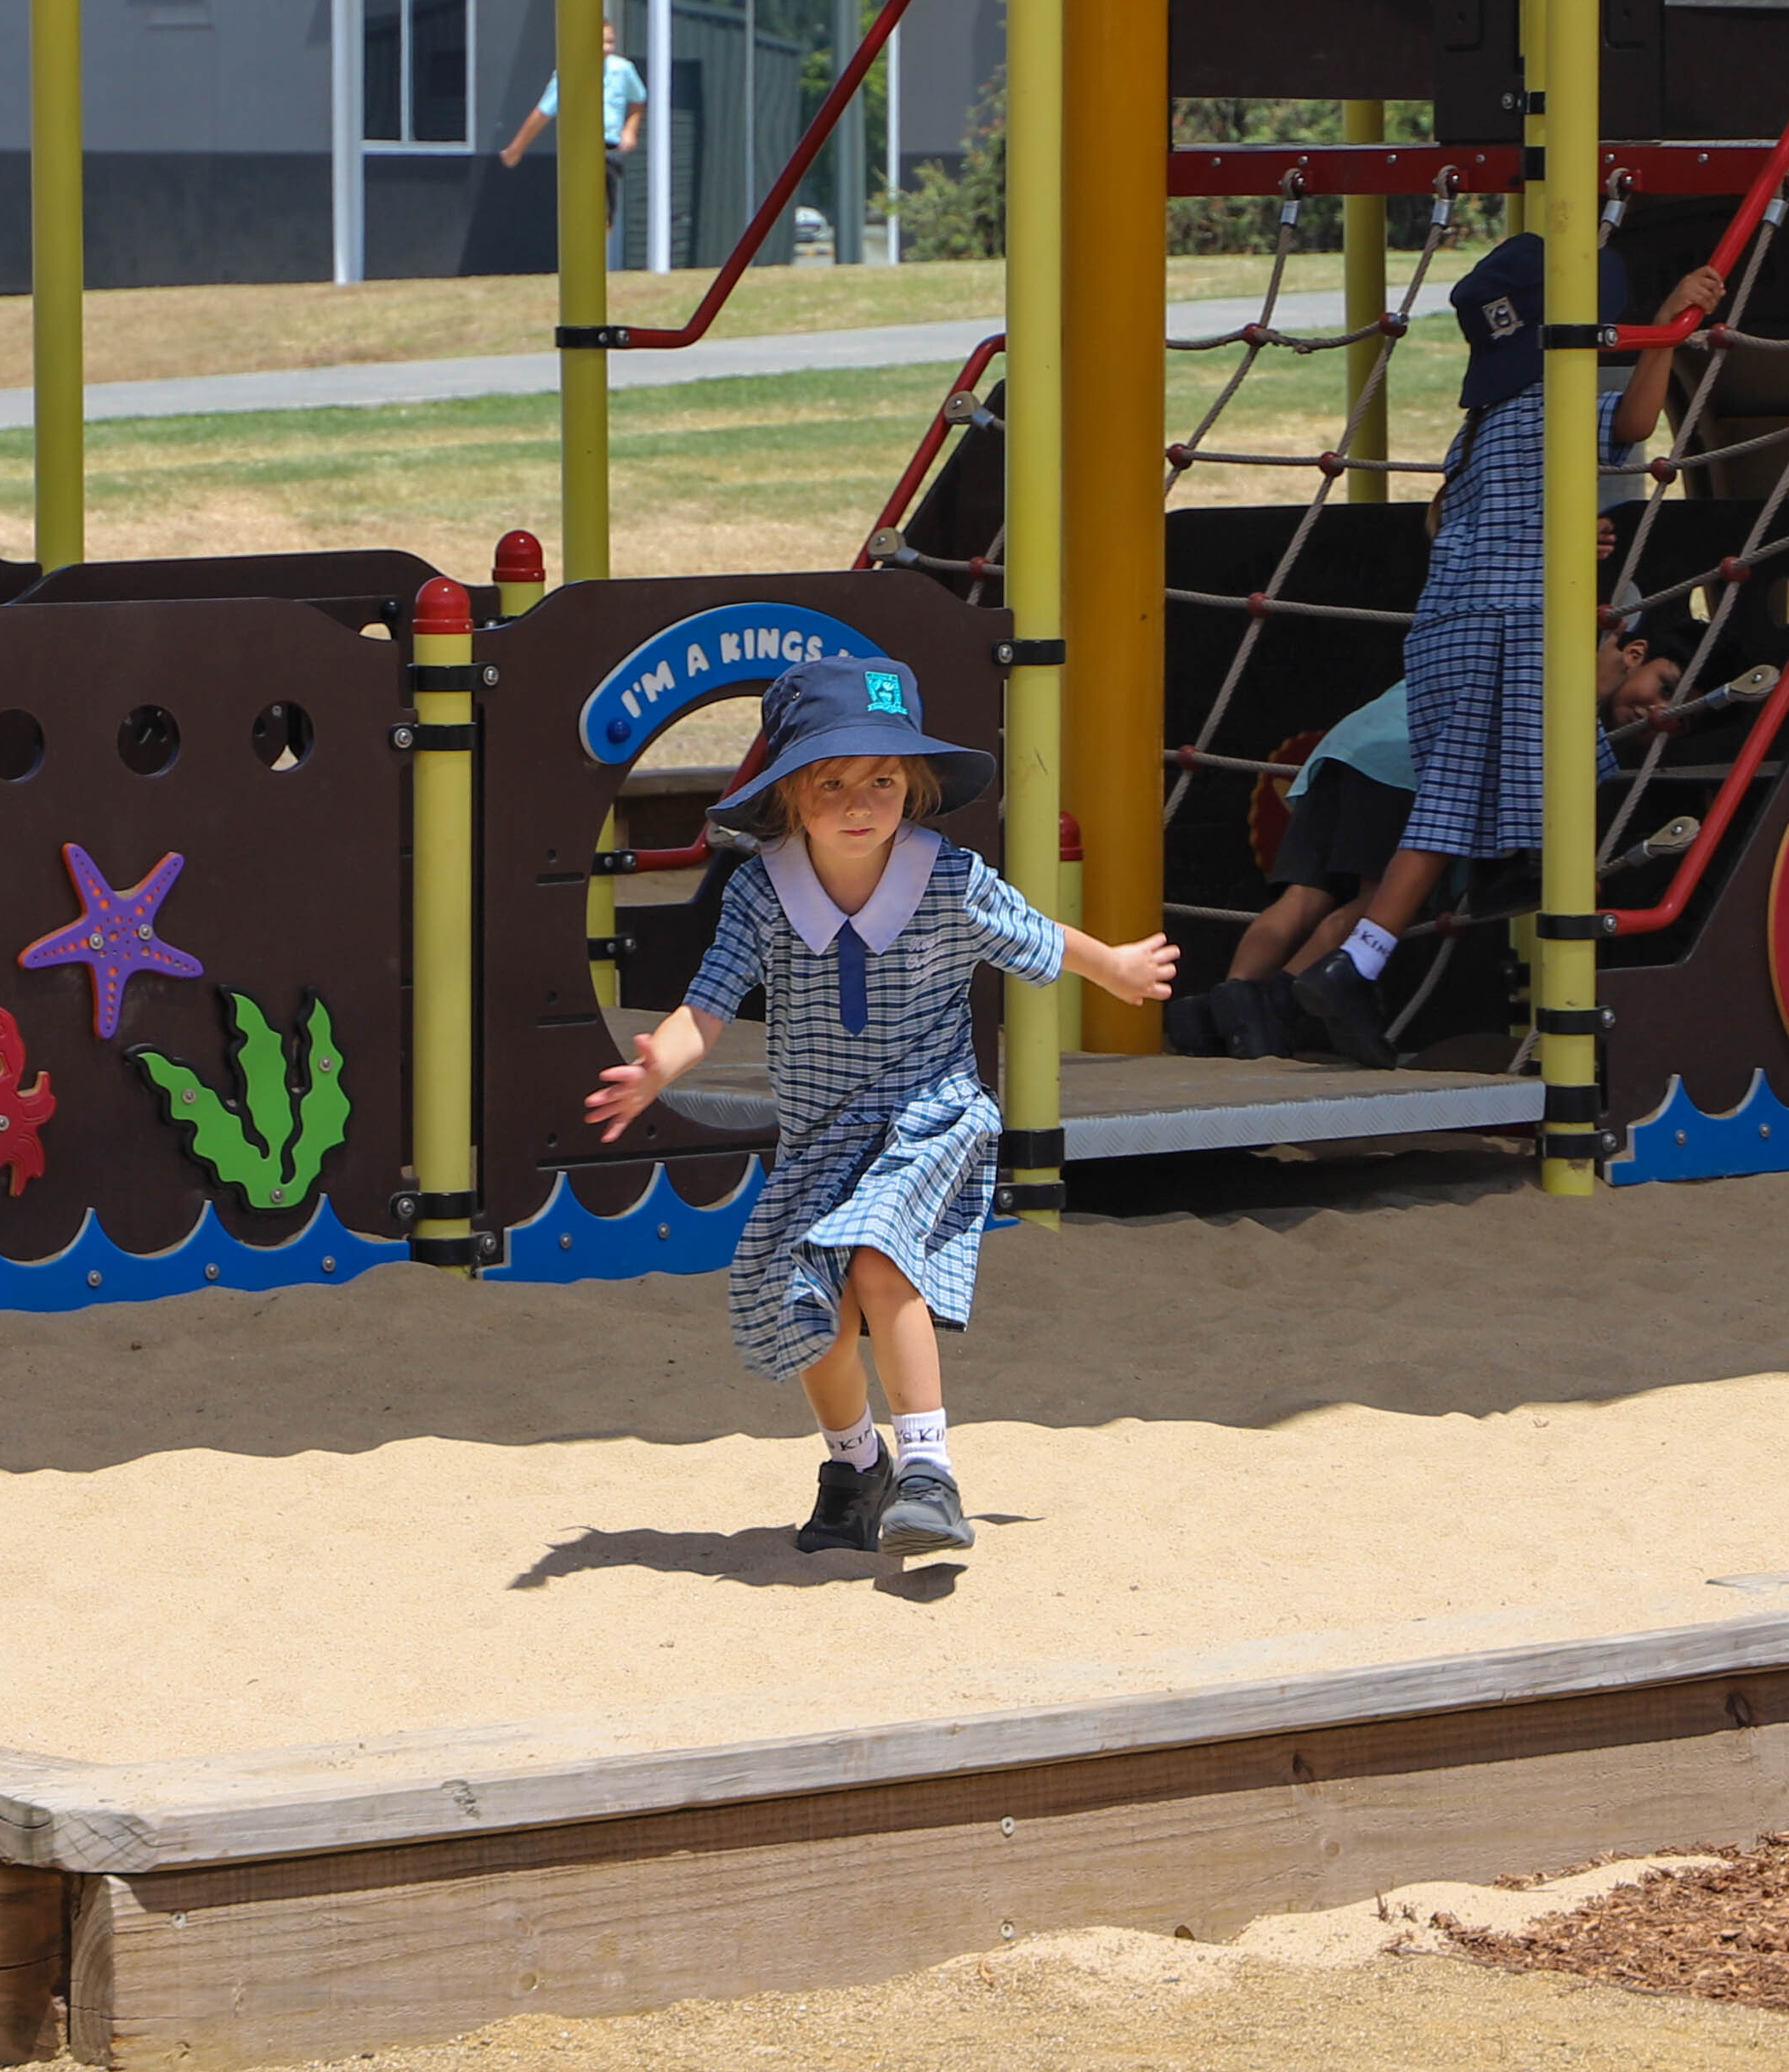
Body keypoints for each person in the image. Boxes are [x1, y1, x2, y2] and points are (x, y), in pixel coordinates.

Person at [585, 657, 1177, 1559]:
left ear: (915, 787)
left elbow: (1038, 935)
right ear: (789, 793)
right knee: (804, 1298)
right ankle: (856, 1465)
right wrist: (657, 1066)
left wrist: (1117, 966)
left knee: (876, 1254)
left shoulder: (948, 878)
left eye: (883, 781)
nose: (859, 803)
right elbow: (707, 1003)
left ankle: (929, 1470)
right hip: (823, 1134)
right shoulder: (761, 891)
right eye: (832, 782)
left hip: (929, 1115)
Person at [1263, 229, 1725, 1062]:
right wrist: (1666, 327)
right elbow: (1637, 418)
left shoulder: (1476, 428)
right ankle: (1427, 927)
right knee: (1558, 766)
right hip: (1510, 625)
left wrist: (1564, 535)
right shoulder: (1557, 404)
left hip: (1445, 629)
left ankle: (1373, 953)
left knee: (1453, 799)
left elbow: (1453, 520)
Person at [1189, 605, 1683, 1060]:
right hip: (1409, 762)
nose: (1657, 712)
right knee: (1376, 902)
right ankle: (1275, 1006)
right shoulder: (1566, 674)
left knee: (1302, 897)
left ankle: (1223, 1010)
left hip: (1350, 747)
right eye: (1664, 687)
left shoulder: (1524, 631)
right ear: (1634, 654)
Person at [497, 15, 651, 254]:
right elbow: (542, 113)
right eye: (601, 42)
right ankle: (582, 242)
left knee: (606, 198)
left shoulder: (623, 70)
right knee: (583, 196)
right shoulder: (569, 73)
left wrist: (630, 130)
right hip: (580, 147)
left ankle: (600, 237)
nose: (607, 48)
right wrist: (517, 148)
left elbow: (638, 99)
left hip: (609, 146)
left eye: (611, 42)